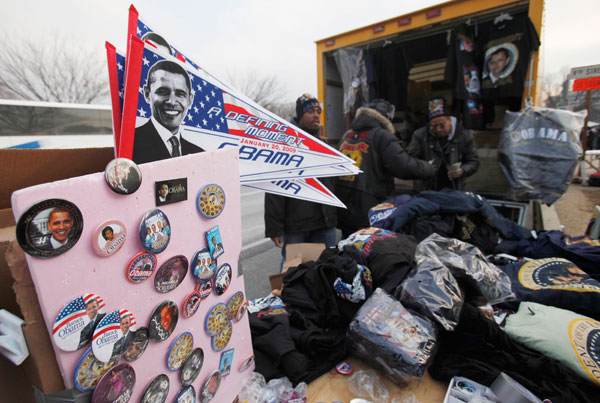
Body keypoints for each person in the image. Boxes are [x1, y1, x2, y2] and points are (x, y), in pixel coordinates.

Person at [336, 98, 434, 238]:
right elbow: (403, 167)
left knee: (348, 247)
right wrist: (429, 168)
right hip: (369, 205)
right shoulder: (382, 135)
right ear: (386, 117)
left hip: (344, 204)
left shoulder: (347, 135)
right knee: (370, 248)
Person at [264, 94, 338, 267]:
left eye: (318, 111)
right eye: (310, 111)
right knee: (293, 271)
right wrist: (275, 227)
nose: (316, 115)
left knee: (326, 267)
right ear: (300, 115)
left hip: (324, 223)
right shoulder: (285, 145)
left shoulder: (323, 146)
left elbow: (333, 184)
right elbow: (275, 187)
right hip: (297, 226)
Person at [132, 60, 204, 164]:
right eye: (162, 92)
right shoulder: (130, 144)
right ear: (147, 93)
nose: (172, 101)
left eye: (180, 94)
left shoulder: (199, 155)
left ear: (190, 99)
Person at [408, 97, 480, 192]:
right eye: (434, 126)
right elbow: (411, 160)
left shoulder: (464, 135)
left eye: (442, 125)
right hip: (426, 190)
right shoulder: (420, 135)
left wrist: (462, 170)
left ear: (450, 120)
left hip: (455, 188)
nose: (438, 129)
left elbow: (473, 162)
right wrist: (425, 168)